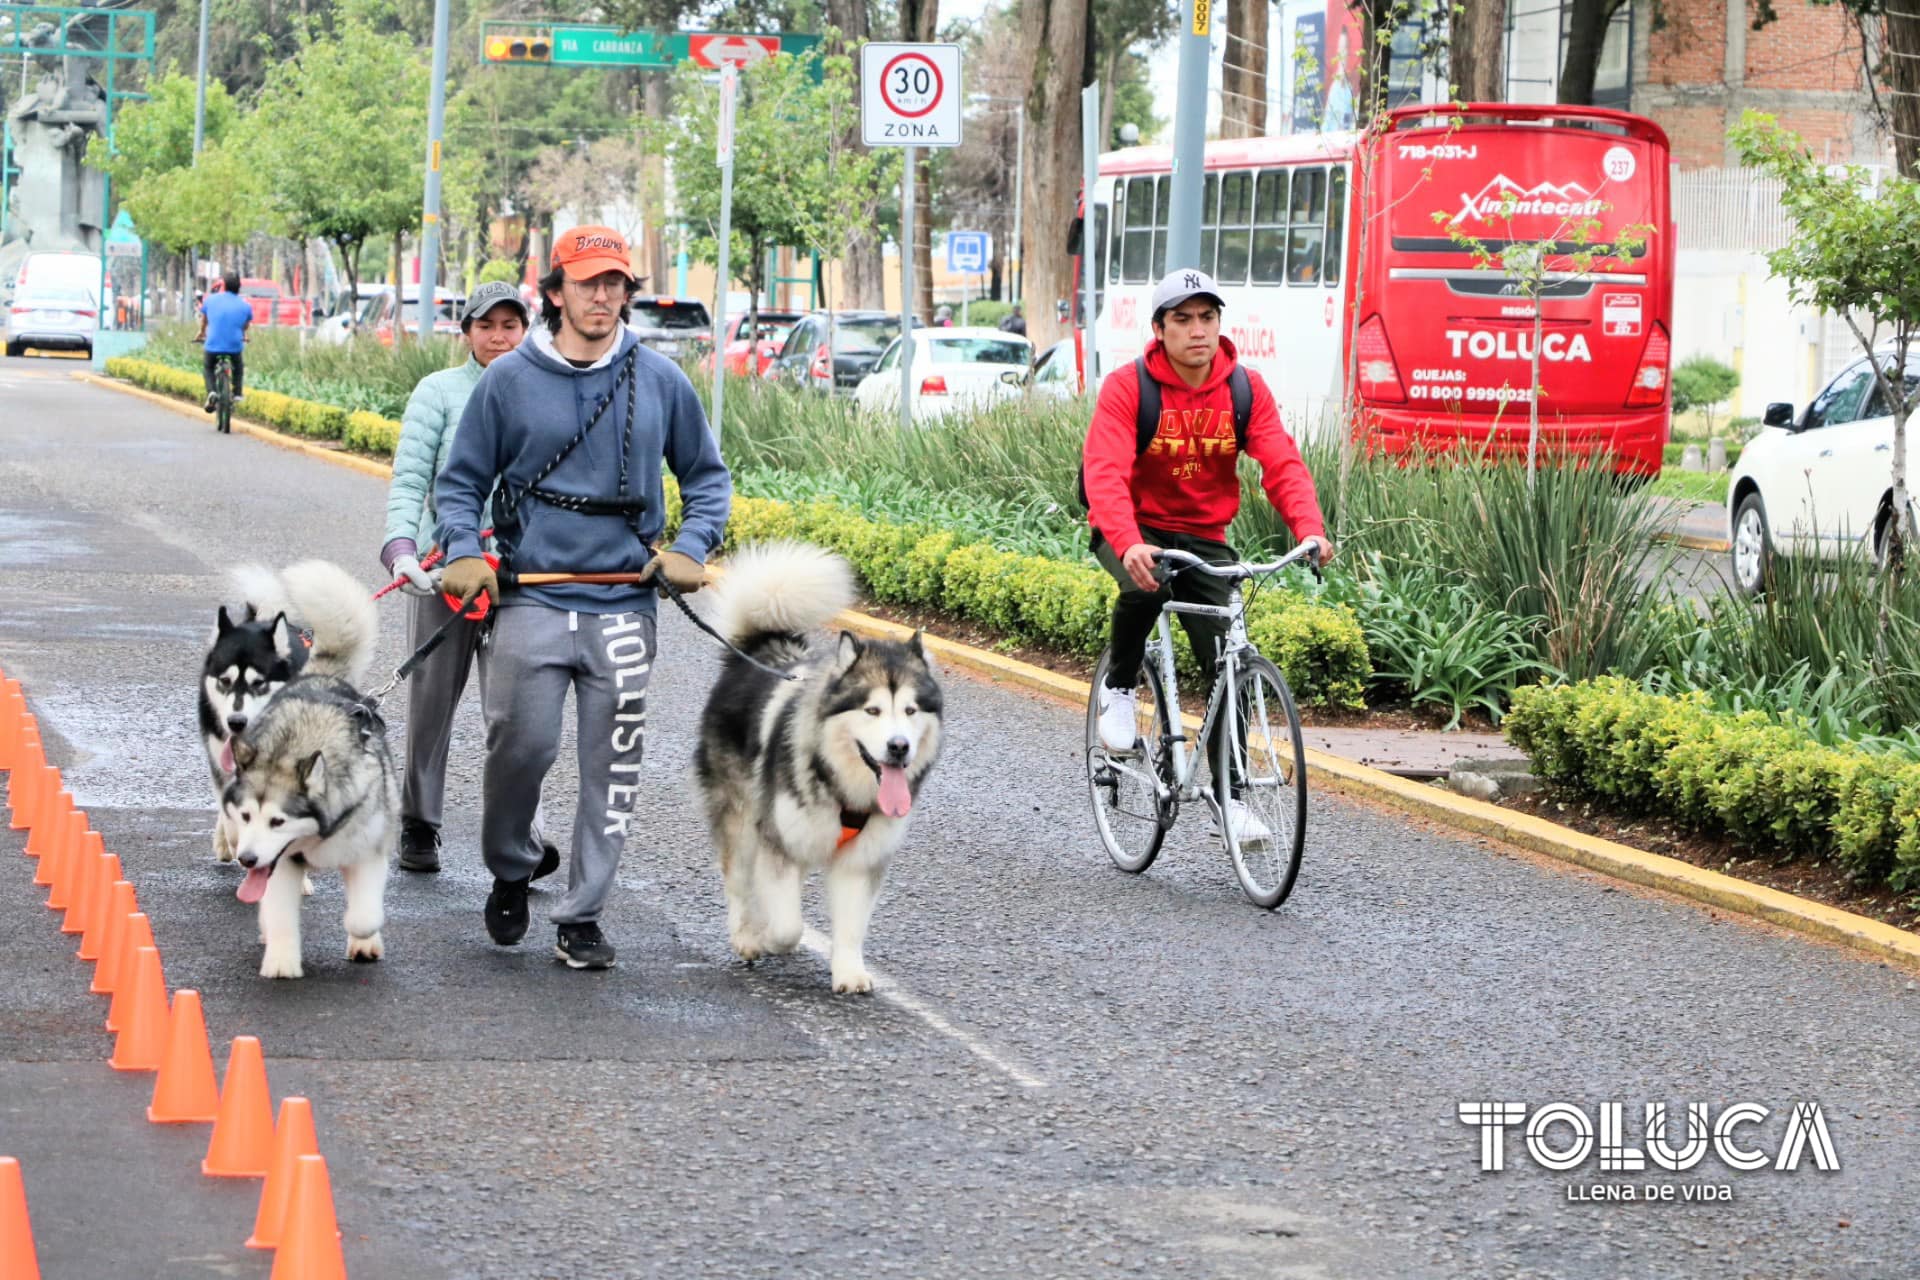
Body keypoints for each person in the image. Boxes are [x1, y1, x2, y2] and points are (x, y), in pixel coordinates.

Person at [436, 226, 732, 970]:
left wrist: (690, 547)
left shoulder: (661, 379)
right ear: (557, 291)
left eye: (616, 284)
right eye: (588, 282)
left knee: (615, 765)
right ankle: (511, 864)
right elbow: (462, 481)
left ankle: (582, 915)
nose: (603, 297)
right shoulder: (507, 380)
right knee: (521, 749)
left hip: (623, 602)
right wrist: (466, 549)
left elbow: (706, 478)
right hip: (531, 598)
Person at [1081, 268, 1334, 841]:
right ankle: (1119, 688)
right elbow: (1104, 473)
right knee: (1146, 583)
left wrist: (1311, 529)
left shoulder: (1244, 389)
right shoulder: (1129, 388)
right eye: (1183, 319)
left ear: (1219, 323)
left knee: (1230, 661)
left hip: (1203, 535)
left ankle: (1230, 794)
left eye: (1207, 317)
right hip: (1132, 525)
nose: (1198, 330)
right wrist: (1128, 541)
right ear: (1160, 329)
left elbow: (1282, 464)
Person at [380, 280, 561, 878]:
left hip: (523, 574)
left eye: (511, 326)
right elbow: (410, 481)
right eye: (487, 326)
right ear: (467, 333)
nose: (499, 337)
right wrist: (404, 549)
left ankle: (521, 832)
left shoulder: (549, 392)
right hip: (448, 570)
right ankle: (419, 822)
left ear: (527, 330)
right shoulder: (437, 393)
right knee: (431, 699)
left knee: (519, 711)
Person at [195, 271, 252, 412]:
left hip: (213, 345)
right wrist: (243, 334)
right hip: (234, 346)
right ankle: (237, 393)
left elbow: (205, 320)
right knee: (238, 367)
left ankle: (212, 392)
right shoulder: (245, 306)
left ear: (224, 286)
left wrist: (201, 333)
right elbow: (245, 324)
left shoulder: (211, 300)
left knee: (208, 367)